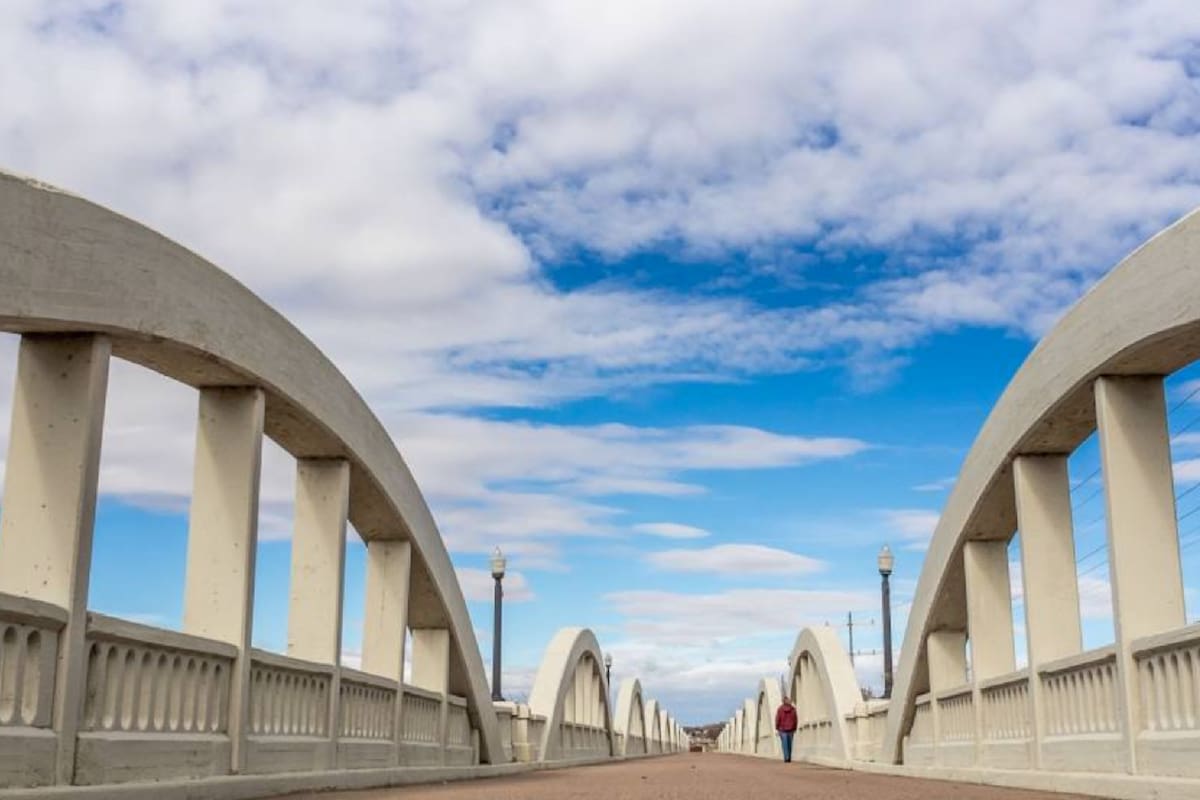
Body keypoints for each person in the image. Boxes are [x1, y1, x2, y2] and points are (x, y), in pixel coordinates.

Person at [775, 696, 798, 763]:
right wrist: (795, 727)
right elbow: (795, 719)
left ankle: (786, 757)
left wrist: (777, 727)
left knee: (784, 744)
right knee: (790, 744)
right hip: (791, 728)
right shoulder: (793, 709)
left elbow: (778, 718)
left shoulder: (780, 709)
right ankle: (789, 757)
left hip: (782, 729)